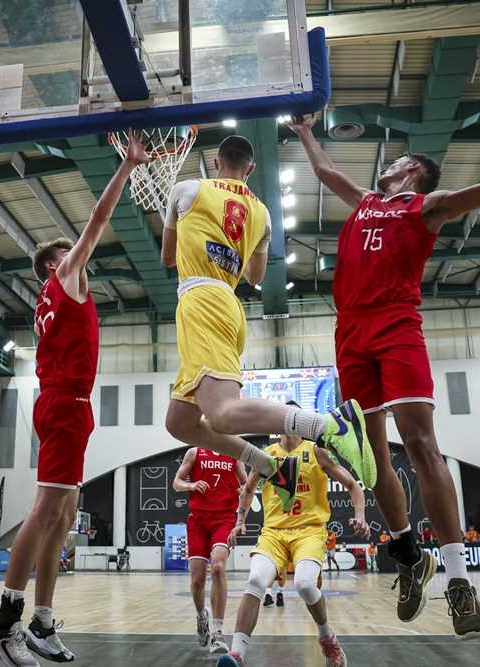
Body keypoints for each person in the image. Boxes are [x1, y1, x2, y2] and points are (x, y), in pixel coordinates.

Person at [289, 77, 480, 636]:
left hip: (396, 327)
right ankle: (409, 555)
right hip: (349, 333)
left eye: (398, 159)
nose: (389, 163)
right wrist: (306, 133)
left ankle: (457, 581)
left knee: (422, 444)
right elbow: (328, 175)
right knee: (369, 457)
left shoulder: (428, 205)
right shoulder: (367, 201)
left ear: (412, 171)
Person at [0, 131, 150, 666]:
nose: (80, 258)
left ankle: (43, 620)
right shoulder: (64, 279)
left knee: (66, 512)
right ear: (55, 263)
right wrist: (126, 167)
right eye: (68, 253)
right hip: (61, 402)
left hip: (72, 404)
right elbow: (97, 222)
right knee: (47, 508)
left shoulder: (55, 298)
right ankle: (4, 620)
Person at [160, 135, 376, 515]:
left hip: (201, 301)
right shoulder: (261, 212)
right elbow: (256, 276)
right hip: (229, 303)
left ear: (215, 160)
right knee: (179, 423)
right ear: (251, 169)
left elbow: (166, 257)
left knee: (223, 414)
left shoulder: (188, 189)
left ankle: (327, 424)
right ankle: (268, 465)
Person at [219, 428, 370, 667]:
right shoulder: (266, 455)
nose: (285, 422)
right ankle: (237, 654)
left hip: (308, 531)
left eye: (291, 417)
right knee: (256, 581)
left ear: (299, 424)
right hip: (273, 533)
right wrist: (239, 523)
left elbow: (352, 485)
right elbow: (247, 490)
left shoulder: (316, 451)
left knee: (305, 585)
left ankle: (327, 637)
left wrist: (360, 515)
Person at [172, 446, 247, 655]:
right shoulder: (194, 453)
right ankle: (201, 616)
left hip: (224, 519)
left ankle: (219, 632)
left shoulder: (233, 454)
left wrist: (244, 493)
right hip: (198, 521)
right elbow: (176, 483)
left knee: (218, 567)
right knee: (196, 580)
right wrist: (192, 484)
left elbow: (246, 485)